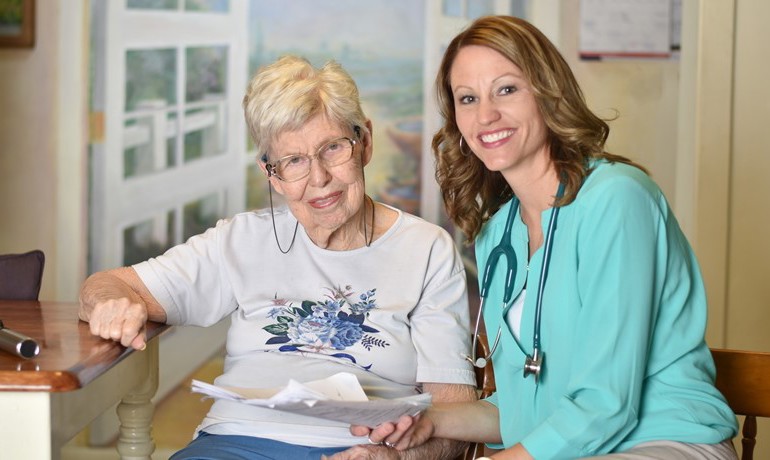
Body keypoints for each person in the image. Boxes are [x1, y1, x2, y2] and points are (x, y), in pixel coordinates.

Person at [351, 15, 739, 460]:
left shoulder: (617, 200)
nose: (486, 115)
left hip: (664, 442)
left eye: (507, 89)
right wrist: (428, 420)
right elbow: (525, 410)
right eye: (468, 98)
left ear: (547, 91)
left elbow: (606, 405)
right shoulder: (499, 234)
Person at [78, 55, 477, 460]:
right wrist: (111, 303)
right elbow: (110, 284)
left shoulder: (426, 249)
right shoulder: (241, 239)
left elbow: (456, 415)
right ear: (271, 174)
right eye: (293, 161)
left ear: (365, 143)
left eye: (333, 148)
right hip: (232, 442)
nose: (318, 178)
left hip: (361, 450)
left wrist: (396, 458)